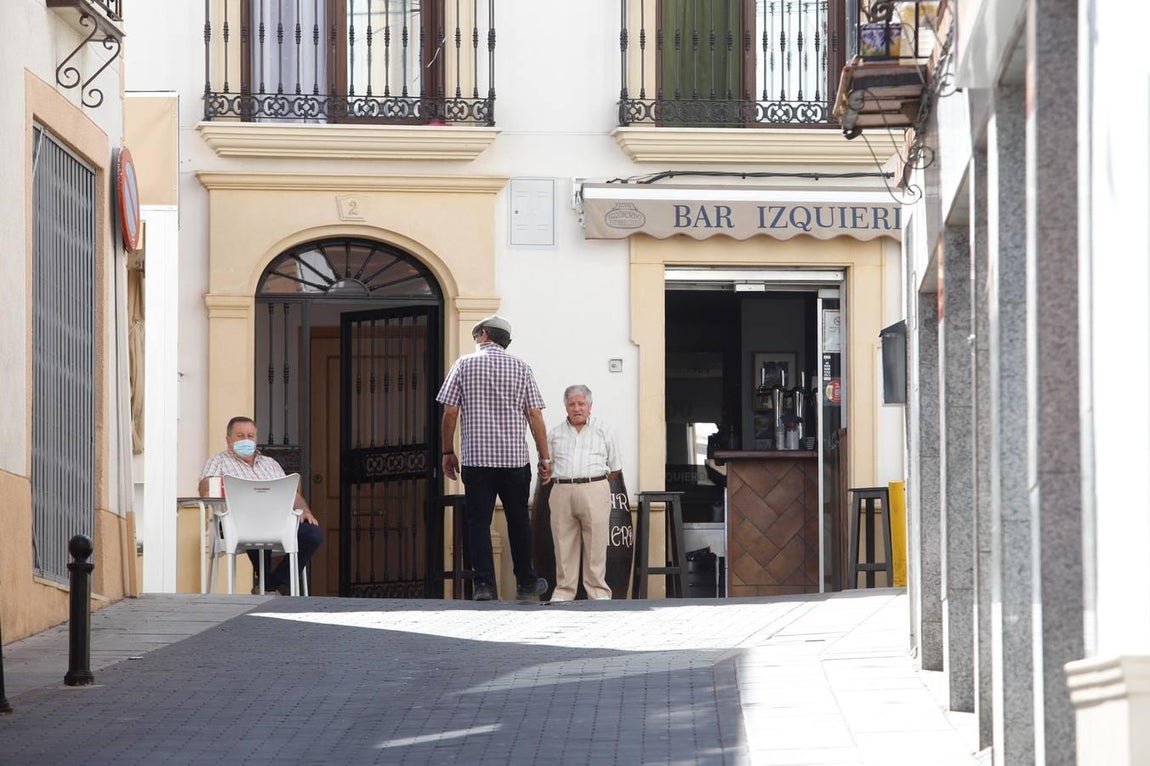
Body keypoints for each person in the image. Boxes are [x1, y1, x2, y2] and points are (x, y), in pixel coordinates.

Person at [437, 315, 551, 602]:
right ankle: (526, 581)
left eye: (476, 335)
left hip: (477, 460)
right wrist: (544, 457)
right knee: (518, 521)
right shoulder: (522, 367)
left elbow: (450, 412)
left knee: (478, 522)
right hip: (514, 461)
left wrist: (447, 451)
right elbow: (535, 414)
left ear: (484, 335)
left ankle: (484, 585)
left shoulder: (464, 364)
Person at [199, 416, 323, 595]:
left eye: (250, 436)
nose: (246, 440)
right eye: (240, 436)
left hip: (274, 521)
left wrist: (304, 510)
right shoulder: (217, 461)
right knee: (258, 526)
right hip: (235, 522)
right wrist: (210, 484)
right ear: (228, 440)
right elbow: (205, 488)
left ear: (256, 439)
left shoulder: (270, 464)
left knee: (312, 533)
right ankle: (269, 585)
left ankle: (275, 584)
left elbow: (292, 493)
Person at [545, 384, 622, 603]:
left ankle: (597, 592)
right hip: (561, 489)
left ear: (590, 406)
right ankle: (563, 592)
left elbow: (615, 467)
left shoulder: (604, 430)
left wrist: (593, 485)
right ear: (565, 407)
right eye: (572, 404)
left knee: (596, 543)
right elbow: (547, 466)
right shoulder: (554, 434)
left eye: (582, 404)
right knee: (562, 542)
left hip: (595, 487)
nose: (577, 408)